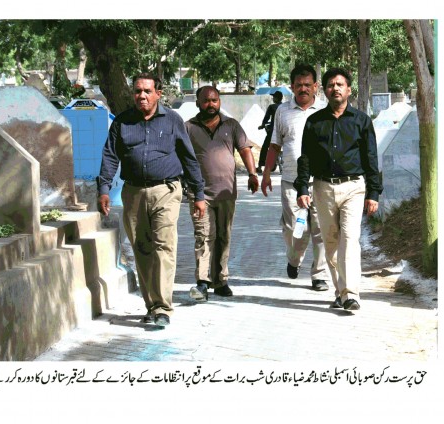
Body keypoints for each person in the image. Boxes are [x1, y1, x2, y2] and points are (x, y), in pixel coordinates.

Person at [97, 73, 206, 327]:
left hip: (166, 191)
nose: (142, 96)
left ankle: (163, 308)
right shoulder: (123, 122)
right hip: (133, 193)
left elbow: (189, 158)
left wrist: (198, 194)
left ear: (158, 93)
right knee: (142, 249)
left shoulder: (172, 120)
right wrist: (103, 188)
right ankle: (152, 304)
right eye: (137, 91)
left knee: (163, 246)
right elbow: (110, 155)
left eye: (147, 91)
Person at [295, 67, 383, 311]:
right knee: (331, 244)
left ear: (349, 90)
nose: (335, 88)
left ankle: (351, 294)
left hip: (354, 187)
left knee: (349, 239)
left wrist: (374, 192)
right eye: (331, 85)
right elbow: (305, 159)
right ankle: (341, 291)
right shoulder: (314, 122)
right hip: (323, 188)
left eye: (340, 84)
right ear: (324, 90)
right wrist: (303, 187)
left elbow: (371, 158)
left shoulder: (361, 121)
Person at [185, 85, 259, 301]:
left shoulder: (232, 125)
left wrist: (253, 174)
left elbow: (245, 149)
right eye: (206, 100)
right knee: (204, 236)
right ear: (198, 103)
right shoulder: (188, 127)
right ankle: (202, 282)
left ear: (220, 102)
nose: (211, 104)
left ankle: (221, 280)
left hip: (226, 192)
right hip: (199, 195)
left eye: (215, 100)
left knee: (223, 236)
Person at [260, 64, 330, 291]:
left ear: (315, 87)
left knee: (320, 229)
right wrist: (267, 174)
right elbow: (274, 145)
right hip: (290, 180)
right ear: (292, 87)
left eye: (307, 85)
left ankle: (319, 275)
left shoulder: (325, 110)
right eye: (298, 85)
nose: (303, 89)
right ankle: (294, 259)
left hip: (319, 181)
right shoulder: (282, 111)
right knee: (296, 228)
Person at [256, 90, 283, 174]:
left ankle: (260, 166)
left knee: (265, 147)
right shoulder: (285, 107)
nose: (273, 98)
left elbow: (266, 118)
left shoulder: (272, 107)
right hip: (283, 131)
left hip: (273, 131)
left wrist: (263, 125)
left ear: (277, 98)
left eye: (274, 97)